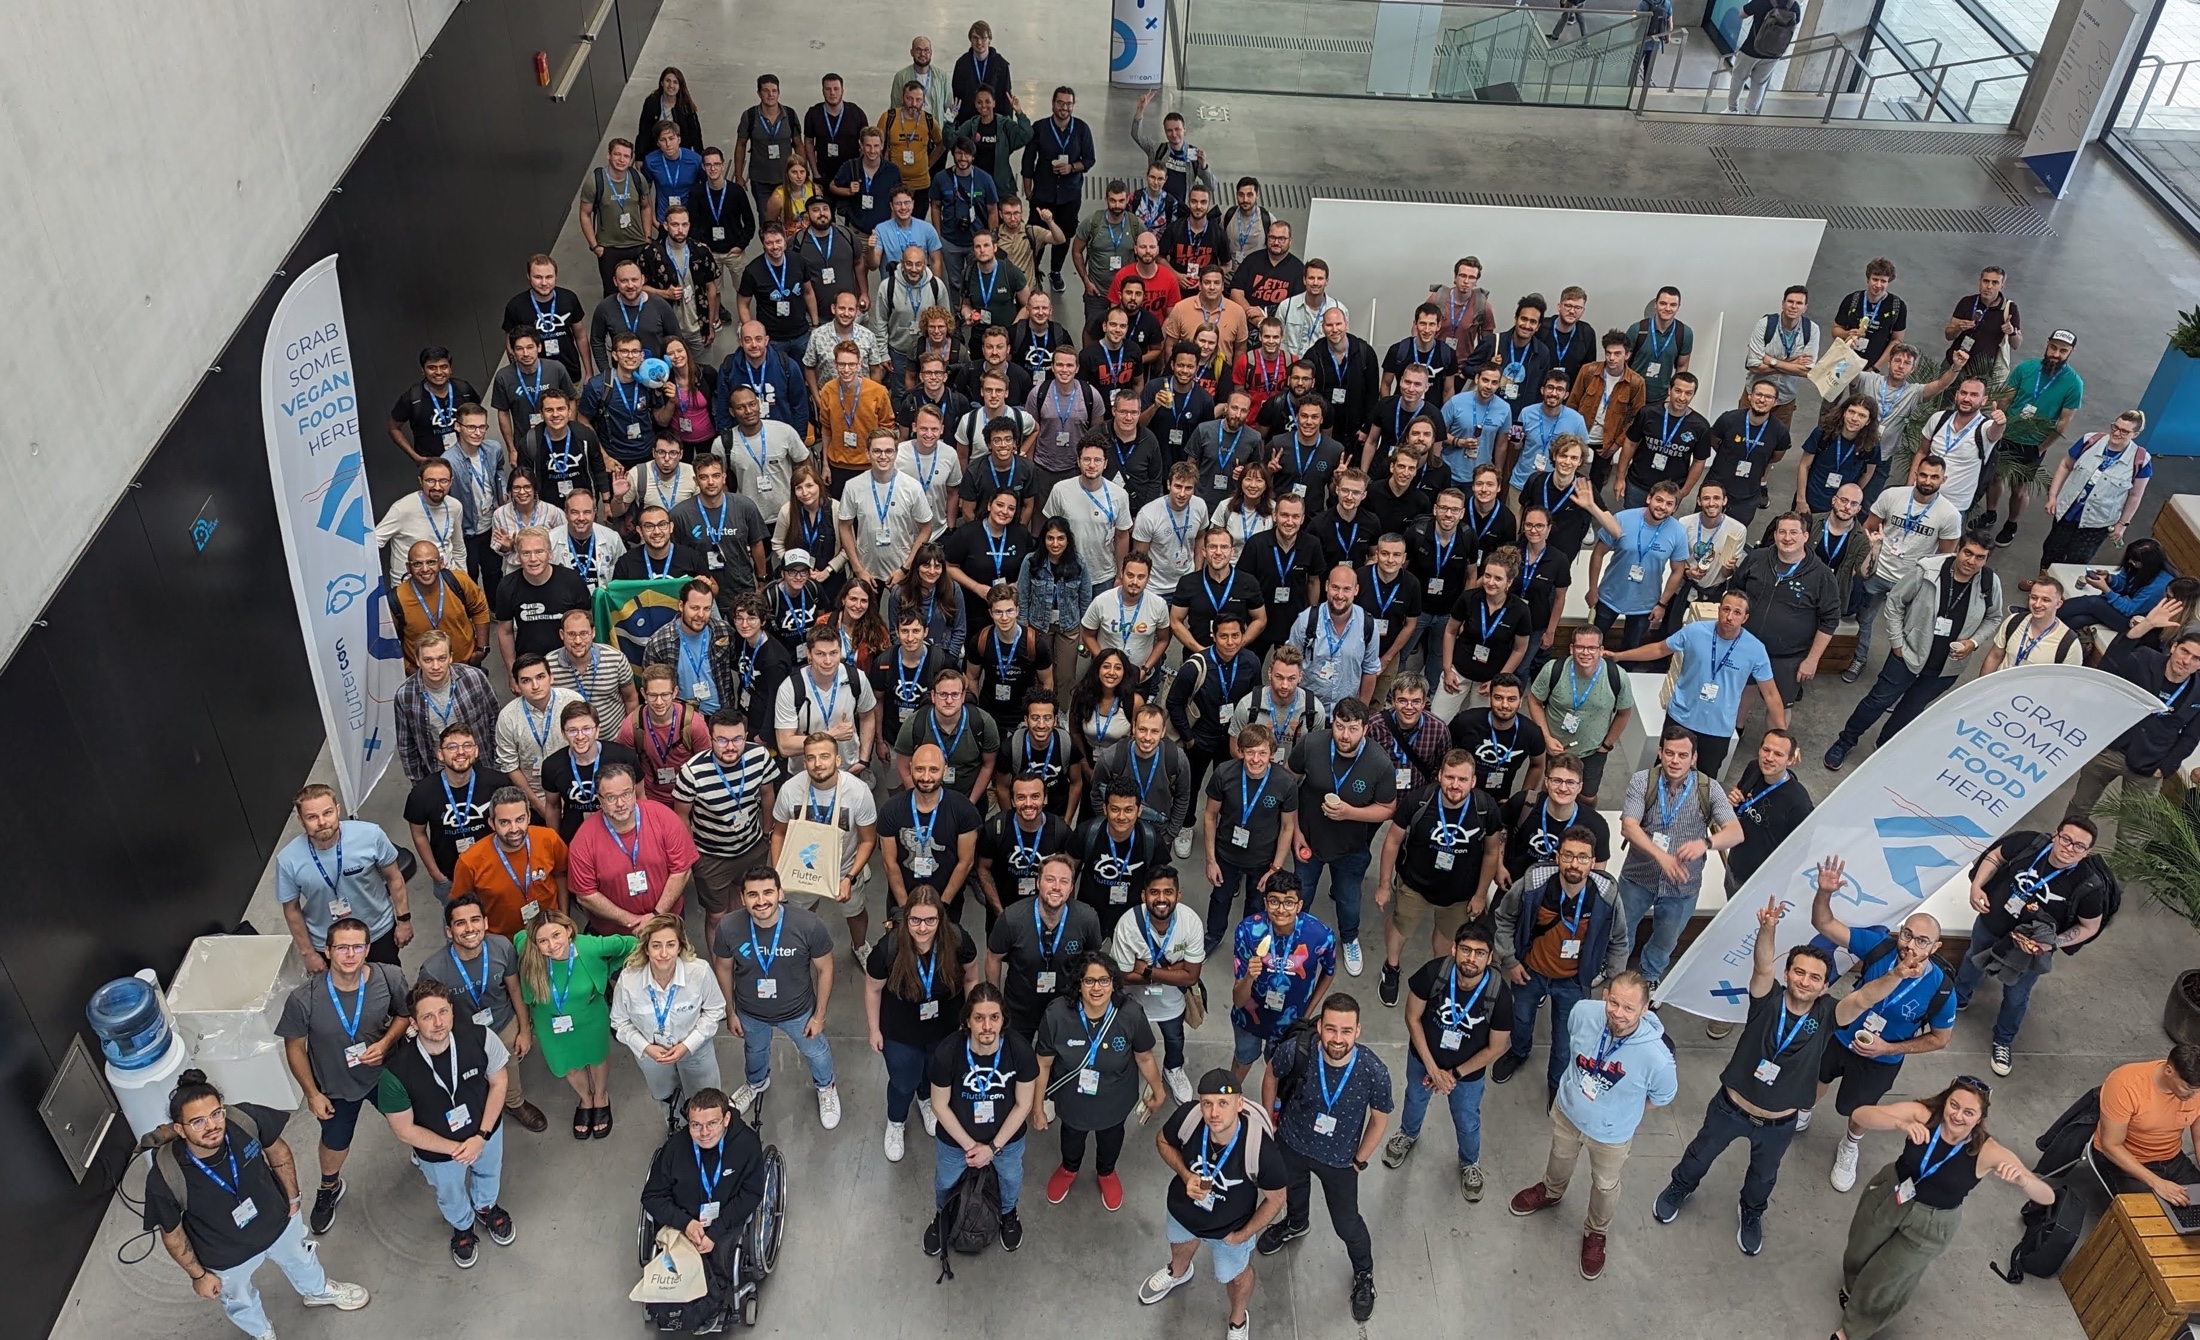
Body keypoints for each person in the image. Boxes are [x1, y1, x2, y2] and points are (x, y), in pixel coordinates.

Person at [1656, 895, 1916, 1255]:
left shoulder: (1828, 1014)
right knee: (1699, 1155)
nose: (1805, 981)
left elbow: (1863, 999)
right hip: (1730, 1109)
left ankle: (1751, 1212)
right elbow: (1762, 966)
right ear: (1787, 973)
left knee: (1763, 1177)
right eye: (1799, 972)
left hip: (1779, 1124)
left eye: (1815, 977)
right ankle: (1680, 1187)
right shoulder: (1767, 998)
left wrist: (1897, 975)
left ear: (1825, 986)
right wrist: (1768, 929)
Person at [143, 1070, 371, 1336]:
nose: (212, 1126)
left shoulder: (245, 1120)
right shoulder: (166, 1173)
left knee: (303, 1259)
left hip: (278, 1222)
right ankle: (262, 1332)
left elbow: (279, 1152)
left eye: (217, 1114)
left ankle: (317, 1292)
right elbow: (172, 1234)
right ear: (180, 1129)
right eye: (198, 1122)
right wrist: (198, 1275)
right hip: (226, 1254)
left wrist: (293, 1199)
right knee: (239, 1299)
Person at [1833, 1078, 2051, 1339]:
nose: (1957, 1116)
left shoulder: (1987, 1151)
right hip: (1891, 1191)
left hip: (1932, 1222)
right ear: (1945, 1100)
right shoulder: (1924, 1115)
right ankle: (1851, 1286)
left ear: (1980, 1117)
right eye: (1954, 1105)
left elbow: (2047, 1196)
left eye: (1969, 1112)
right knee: (1859, 1248)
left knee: (1886, 1278)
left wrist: (2023, 1180)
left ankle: (1853, 1330)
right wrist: (1899, 1123)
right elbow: (1861, 1115)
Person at [1507, 972, 1675, 1280]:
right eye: (1614, 1003)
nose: (1618, 1014)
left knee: (1605, 1185)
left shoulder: (1657, 1058)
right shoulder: (1583, 1012)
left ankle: (1596, 1231)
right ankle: (1551, 1191)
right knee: (1559, 1156)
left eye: (1629, 1008)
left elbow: (1661, 1097)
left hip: (1612, 1136)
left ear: (1645, 1009)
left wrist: (1618, 1111)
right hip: (1568, 1111)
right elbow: (1572, 1048)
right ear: (1605, 995)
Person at [1802, 855, 1956, 1190]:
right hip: (1841, 1034)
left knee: (1857, 1110)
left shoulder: (1942, 988)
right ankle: (1802, 1113)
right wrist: (1825, 893)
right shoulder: (1880, 947)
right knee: (1817, 1076)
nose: (1910, 945)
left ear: (1936, 947)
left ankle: (1850, 1145)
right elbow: (1825, 924)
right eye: (1908, 935)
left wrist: (1890, 1047)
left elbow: (1941, 1038)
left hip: (1881, 1058)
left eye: (1921, 941)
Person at [1254, 993, 1389, 1322]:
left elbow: (1380, 1118)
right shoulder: (1298, 1050)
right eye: (1330, 1029)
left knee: (1347, 1224)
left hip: (1340, 1161)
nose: (1337, 1039)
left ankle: (1364, 1275)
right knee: (1293, 1191)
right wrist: (1270, 1117)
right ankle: (1296, 1224)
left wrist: (1359, 1160)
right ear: (1319, 1027)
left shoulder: (1373, 1070)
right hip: (1292, 1143)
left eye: (1345, 1031)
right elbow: (1271, 1074)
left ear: (1358, 1031)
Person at [1823, 531, 2001, 772]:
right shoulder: (1928, 571)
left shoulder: (1990, 583)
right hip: (1907, 654)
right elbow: (1895, 602)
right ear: (1958, 549)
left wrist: (1974, 643)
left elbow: (1993, 617)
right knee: (1877, 701)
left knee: (1911, 709)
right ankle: (1845, 741)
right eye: (1968, 553)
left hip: (1946, 667)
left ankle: (1885, 747)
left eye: (1980, 557)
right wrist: (1897, 643)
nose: (1972, 561)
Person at [276, 917, 409, 1234]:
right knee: (334, 1143)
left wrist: (386, 1042)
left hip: (384, 1074)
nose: (350, 954)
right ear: (327, 950)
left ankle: (426, 1151)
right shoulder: (304, 998)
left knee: (411, 1119)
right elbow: (294, 1047)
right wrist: (312, 1093)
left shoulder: (389, 978)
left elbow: (405, 1014)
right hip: (334, 1086)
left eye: (357, 946)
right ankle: (329, 1187)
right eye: (342, 947)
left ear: (367, 949)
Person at [373, 977, 514, 1268]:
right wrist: (457, 1149)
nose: (438, 1022)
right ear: (413, 1023)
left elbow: (499, 1083)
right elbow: (404, 1130)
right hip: (439, 1153)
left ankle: (486, 1207)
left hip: (485, 1133)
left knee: (489, 1173)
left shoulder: (481, 1037)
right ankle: (463, 1224)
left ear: (451, 1010)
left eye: (443, 1012)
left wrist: (480, 1137)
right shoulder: (396, 1073)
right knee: (449, 1192)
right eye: (427, 1016)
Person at [1954, 819, 2111, 1076]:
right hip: (1991, 922)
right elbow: (1996, 855)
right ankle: (1958, 998)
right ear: (2055, 835)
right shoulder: (2029, 842)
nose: (2070, 848)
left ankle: (2003, 1040)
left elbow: (2089, 927)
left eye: (2079, 846)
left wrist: (2051, 944)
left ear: (2087, 852)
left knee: (2016, 994)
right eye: (2066, 839)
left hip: (2026, 951)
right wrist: (1977, 886)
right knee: (1974, 958)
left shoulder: (2089, 886)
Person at [1141, 1068, 1288, 1338]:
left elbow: (1277, 1198)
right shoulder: (1189, 1117)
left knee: (1237, 1276)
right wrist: (1186, 1176)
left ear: (1240, 1104)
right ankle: (1178, 1272)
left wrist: (1243, 1235)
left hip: (1230, 1229)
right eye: (1207, 1103)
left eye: (1223, 1103)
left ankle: (1237, 1319)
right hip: (1184, 1211)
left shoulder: (1260, 1148)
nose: (1214, 1113)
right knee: (1179, 1246)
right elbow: (1163, 1140)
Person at [1490, 824, 1630, 1096]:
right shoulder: (1533, 885)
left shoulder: (1606, 896)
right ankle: (1519, 1052)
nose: (1574, 863)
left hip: (1574, 982)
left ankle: (1556, 1082)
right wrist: (1510, 961)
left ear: (1592, 862)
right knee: (1520, 1019)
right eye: (1567, 855)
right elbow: (1504, 919)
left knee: (1565, 1040)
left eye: (1582, 857)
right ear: (1557, 857)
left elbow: (1619, 941)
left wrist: (1612, 984)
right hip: (1529, 974)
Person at [1382, 918, 1512, 1204]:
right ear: (1454, 948)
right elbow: (1412, 1018)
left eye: (1480, 953)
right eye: (1466, 950)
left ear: (1490, 957)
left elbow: (1497, 1047)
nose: (1471, 958)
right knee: (1415, 1098)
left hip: (1467, 1072)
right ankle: (1408, 1134)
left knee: (1466, 1119)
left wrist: (1453, 1074)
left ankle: (1470, 1163)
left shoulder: (1499, 993)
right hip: (1424, 1058)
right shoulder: (1434, 973)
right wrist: (1432, 1068)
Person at [1032, 952, 1166, 1210]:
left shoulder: (1130, 1014)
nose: (1097, 988)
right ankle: (1069, 1168)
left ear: (1114, 983)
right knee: (1071, 1135)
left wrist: (1158, 1090)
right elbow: (1043, 1063)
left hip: (1115, 1100)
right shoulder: (1056, 1014)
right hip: (1072, 1100)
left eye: (1104, 980)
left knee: (1112, 1135)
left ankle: (1106, 1172)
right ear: (1078, 984)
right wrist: (1037, 1107)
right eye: (1089, 981)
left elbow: (1145, 1057)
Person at [1607, 589, 1782, 778]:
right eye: (1726, 609)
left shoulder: (1755, 649)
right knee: (1664, 773)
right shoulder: (1695, 631)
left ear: (1745, 618)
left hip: (1717, 728)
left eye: (1737, 612)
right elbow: (1659, 649)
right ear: (1719, 610)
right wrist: (1619, 656)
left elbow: (1771, 694)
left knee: (1704, 782)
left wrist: (1783, 736)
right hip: (1681, 718)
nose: (1729, 617)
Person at [1374, 749, 1502, 1006]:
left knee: (1447, 938)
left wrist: (1480, 895)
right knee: (1402, 927)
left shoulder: (1485, 808)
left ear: (1473, 781)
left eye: (1462, 779)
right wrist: (1384, 884)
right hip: (1414, 885)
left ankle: (1436, 975)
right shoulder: (1419, 801)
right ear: (1440, 776)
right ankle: (1391, 967)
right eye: (1450, 777)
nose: (1455, 785)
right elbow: (1392, 841)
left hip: (1459, 893)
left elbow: (1491, 852)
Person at [1617, 725, 1742, 986]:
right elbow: (1629, 825)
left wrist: (1706, 842)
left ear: (1694, 758)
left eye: (1683, 755)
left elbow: (1735, 832)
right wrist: (1661, 856)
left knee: (1666, 939)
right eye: (1670, 753)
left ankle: (1650, 977)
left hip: (1683, 885)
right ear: (1660, 752)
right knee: (1620, 929)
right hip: (1638, 877)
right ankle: (1614, 970)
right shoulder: (1643, 781)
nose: (1675, 760)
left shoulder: (1709, 789)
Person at [640, 1086, 768, 1333]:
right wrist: (685, 1223)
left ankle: (706, 1307)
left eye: (712, 1123)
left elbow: (751, 1194)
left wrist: (715, 1232)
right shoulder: (675, 1149)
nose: (704, 1132)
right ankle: (682, 1306)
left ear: (727, 1119)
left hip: (726, 1221)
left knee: (720, 1259)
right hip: (683, 1222)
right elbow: (652, 1196)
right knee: (678, 1261)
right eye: (696, 1125)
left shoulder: (746, 1144)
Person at [417, 892, 548, 1134]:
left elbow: (515, 988)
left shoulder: (501, 948)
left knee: (508, 1066)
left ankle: (514, 1103)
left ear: (486, 923)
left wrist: (524, 1029)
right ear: (449, 931)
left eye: (475, 920)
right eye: (460, 923)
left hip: (502, 1022)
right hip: (463, 1033)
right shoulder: (434, 969)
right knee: (468, 1077)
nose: (470, 928)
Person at [926, 982, 1040, 1254]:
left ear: (1003, 1021)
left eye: (994, 1018)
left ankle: (1008, 1214)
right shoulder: (948, 1052)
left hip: (1005, 1140)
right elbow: (939, 1106)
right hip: (956, 1140)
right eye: (979, 1018)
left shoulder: (1020, 1051)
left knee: (1010, 1178)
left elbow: (1024, 1104)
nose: (987, 1026)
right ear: (967, 1021)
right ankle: (942, 1215)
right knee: (945, 1180)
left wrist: (992, 1149)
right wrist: (970, 1146)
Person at [1289, 698, 1397, 978]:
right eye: (1339, 726)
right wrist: (1295, 832)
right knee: (1302, 894)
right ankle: (1296, 937)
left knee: (1349, 901)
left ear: (1365, 730)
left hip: (1351, 848)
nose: (1344, 735)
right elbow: (1291, 783)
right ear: (1332, 724)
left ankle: (1349, 939)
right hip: (1308, 840)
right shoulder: (1312, 744)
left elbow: (1388, 808)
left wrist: (1350, 812)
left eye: (1352, 729)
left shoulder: (1379, 763)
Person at [515, 910, 635, 1140]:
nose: (551, 945)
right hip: (551, 1025)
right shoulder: (528, 952)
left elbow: (630, 944)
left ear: (569, 930)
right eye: (543, 940)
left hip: (590, 1017)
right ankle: (586, 1098)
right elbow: (519, 937)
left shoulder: (588, 946)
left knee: (596, 1058)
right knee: (568, 1065)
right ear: (535, 943)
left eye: (556, 935)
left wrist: (608, 969)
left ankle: (600, 1095)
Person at [1849, 453, 1963, 682]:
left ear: (1944, 479)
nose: (1927, 481)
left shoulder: (1949, 514)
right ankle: (1858, 658)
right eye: (1923, 475)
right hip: (1879, 571)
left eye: (1934, 477)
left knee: (1908, 631)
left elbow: (1946, 556)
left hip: (1913, 581)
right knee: (1864, 618)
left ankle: (1893, 676)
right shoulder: (1892, 496)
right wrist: (1870, 551)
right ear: (1915, 474)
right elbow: (1868, 527)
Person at [276, 786, 411, 971]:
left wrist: (404, 921)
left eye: (328, 813)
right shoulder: (287, 860)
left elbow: (394, 877)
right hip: (329, 944)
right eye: (312, 817)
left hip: (377, 933)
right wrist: (308, 953)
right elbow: (291, 910)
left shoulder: (371, 835)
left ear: (338, 810)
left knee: (389, 987)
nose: (322, 822)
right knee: (344, 997)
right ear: (301, 820)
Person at [771, 732, 881, 955]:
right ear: (804, 762)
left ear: (838, 760)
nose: (818, 764)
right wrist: (778, 875)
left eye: (824, 756)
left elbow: (869, 839)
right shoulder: (790, 790)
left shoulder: (858, 792)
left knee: (855, 911)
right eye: (811, 758)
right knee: (800, 915)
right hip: (801, 868)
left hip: (844, 867)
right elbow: (779, 834)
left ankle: (860, 947)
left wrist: (851, 877)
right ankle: (802, 950)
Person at [610, 913, 727, 1119]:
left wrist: (687, 1045)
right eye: (656, 946)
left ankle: (709, 1135)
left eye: (670, 945)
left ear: (680, 947)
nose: (663, 953)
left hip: (695, 1050)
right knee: (666, 1098)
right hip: (652, 1055)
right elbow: (619, 1022)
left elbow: (715, 1010)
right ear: (646, 948)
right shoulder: (629, 980)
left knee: (707, 1099)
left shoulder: (699, 972)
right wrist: (646, 1048)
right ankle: (677, 1130)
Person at [1202, 722, 1302, 953]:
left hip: (1263, 860)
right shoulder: (1224, 774)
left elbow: (1288, 827)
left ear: (1272, 754)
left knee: (1257, 904)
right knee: (1220, 898)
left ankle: (1249, 941)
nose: (1256, 759)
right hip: (1226, 853)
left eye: (1262, 753)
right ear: (1241, 751)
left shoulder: (1285, 783)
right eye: (1250, 752)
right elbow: (1210, 815)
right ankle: (1213, 936)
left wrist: (1275, 869)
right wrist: (1210, 860)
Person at [988, 852, 1107, 1042]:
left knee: (1059, 1064)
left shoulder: (1087, 919)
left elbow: (1093, 962)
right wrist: (994, 1002)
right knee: (1018, 1061)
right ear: (1038, 883)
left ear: (1071, 888)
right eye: (1050, 879)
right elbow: (993, 958)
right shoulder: (1011, 918)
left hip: (1066, 1007)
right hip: (1020, 1007)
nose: (1056, 887)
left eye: (1064, 881)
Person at [1229, 872, 1336, 1082]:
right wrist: (1250, 976)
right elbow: (1238, 1000)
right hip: (1250, 1016)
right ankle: (1230, 1096)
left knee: (1279, 1069)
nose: (1280, 909)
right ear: (1265, 902)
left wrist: (1308, 1011)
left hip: (1291, 1020)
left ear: (1299, 905)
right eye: (1274, 901)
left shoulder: (1321, 935)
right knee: (1243, 1058)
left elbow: (1329, 972)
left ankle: (1274, 1109)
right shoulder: (1248, 931)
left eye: (1289, 902)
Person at [1729, 512, 1843, 707]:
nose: (1787, 538)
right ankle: (1737, 732)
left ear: (1805, 537)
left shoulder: (1822, 576)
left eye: (1793, 532)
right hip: (1745, 645)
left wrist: (1812, 660)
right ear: (1774, 535)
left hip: (1788, 658)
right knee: (1741, 694)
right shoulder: (1756, 558)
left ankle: (1777, 738)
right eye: (1782, 532)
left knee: (1779, 707)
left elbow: (1830, 620)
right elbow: (1736, 591)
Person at [1578, 479, 1688, 652]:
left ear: (1674, 509)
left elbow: (1678, 570)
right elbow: (1598, 553)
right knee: (1593, 642)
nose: (1662, 507)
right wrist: (1593, 589)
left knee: (1631, 647)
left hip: (1645, 604)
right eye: (1659, 500)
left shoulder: (1678, 532)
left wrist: (1662, 604)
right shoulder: (1622, 518)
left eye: (1669, 504)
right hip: (1609, 596)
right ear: (1649, 498)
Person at [1523, 631, 1631, 802]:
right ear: (1571, 648)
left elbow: (1624, 713)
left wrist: (1606, 746)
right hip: (1556, 748)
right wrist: (1546, 737)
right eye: (1580, 647)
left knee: (1588, 797)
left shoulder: (1617, 676)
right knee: (1553, 788)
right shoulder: (1553, 669)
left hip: (1593, 751)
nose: (1585, 652)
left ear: (1601, 650)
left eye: (1591, 647)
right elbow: (1534, 700)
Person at [448, 788, 568, 940]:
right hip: (502, 943)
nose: (514, 829)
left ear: (529, 817)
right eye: (505, 822)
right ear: (492, 823)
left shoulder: (549, 839)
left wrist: (563, 919)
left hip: (549, 935)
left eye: (520, 819)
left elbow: (561, 875)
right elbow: (460, 908)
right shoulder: (470, 861)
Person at [2039, 409, 2151, 567]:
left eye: (2124, 431)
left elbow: (2135, 495)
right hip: (2067, 512)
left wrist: (2122, 524)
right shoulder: (2090, 440)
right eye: (2115, 427)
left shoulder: (2141, 460)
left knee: (2077, 560)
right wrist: (2053, 496)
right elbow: (2066, 464)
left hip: (2097, 523)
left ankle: (2059, 590)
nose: (2117, 433)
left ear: (2135, 434)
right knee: (2051, 550)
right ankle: (2042, 584)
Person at [2092, 1047, 2200, 1201]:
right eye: (2188, 1089)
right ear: (2168, 1071)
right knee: (2152, 1217)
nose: (2193, 1096)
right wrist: (2157, 1183)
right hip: (2127, 1159)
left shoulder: (2196, 1091)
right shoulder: (2125, 1085)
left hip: (2172, 1158)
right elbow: (2111, 1146)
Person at [394, 631, 501, 785]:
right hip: (438, 774)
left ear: (450, 657)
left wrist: (497, 767)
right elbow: (406, 745)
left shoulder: (474, 678)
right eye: (428, 660)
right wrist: (419, 784)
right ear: (417, 660)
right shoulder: (405, 696)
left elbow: (495, 723)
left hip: (480, 767)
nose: (435, 666)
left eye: (441, 658)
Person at [404, 719, 490, 908]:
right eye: (452, 746)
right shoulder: (422, 794)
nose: (460, 752)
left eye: (467, 745)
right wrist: (436, 874)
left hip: (492, 871)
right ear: (440, 754)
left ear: (476, 751)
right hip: (450, 876)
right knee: (459, 931)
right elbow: (418, 834)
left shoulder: (496, 783)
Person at [1498, 754, 1613, 883]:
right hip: (1514, 884)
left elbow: (1598, 874)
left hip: (1561, 897)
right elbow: (1499, 829)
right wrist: (1498, 866)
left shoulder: (1596, 825)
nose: (1563, 788)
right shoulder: (1525, 803)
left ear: (1580, 787)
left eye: (1570, 782)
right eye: (1557, 781)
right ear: (1547, 782)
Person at [1723, 728, 1812, 892]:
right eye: (1766, 750)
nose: (1769, 758)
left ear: (1791, 760)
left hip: (1759, 883)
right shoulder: (1753, 768)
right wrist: (1734, 802)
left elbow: (1800, 852)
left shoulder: (1799, 804)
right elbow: (1740, 808)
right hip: (1735, 862)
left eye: (1778, 754)